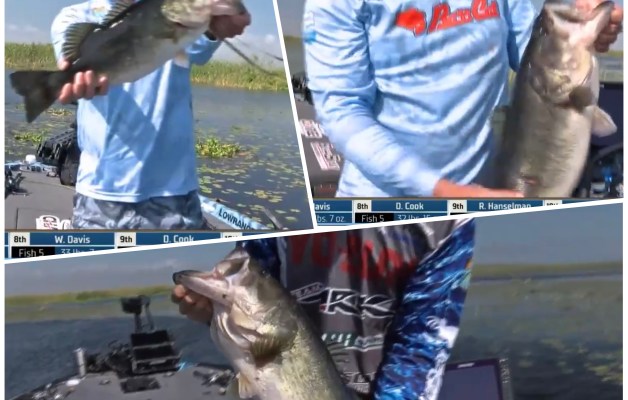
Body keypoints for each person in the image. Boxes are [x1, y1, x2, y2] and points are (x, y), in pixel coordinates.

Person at [301, 0, 623, 198]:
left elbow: (533, 53)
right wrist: (442, 190)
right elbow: (342, 112)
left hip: (496, 192)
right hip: (383, 206)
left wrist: (583, 34)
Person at [172, 220, 475, 400]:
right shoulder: (282, 196)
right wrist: (212, 312)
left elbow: (421, 342)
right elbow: (256, 301)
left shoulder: (449, 221)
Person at [50, 0, 251, 229]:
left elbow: (204, 41)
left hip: (175, 195)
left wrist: (225, 17)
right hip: (99, 194)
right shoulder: (73, 16)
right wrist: (73, 78)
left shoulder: (172, 9)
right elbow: (72, 63)